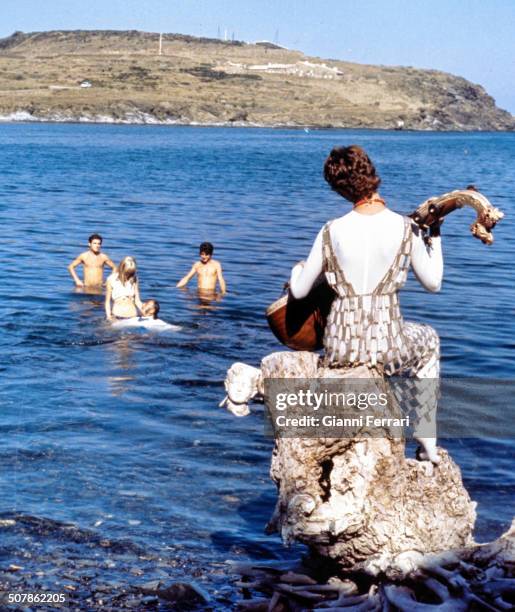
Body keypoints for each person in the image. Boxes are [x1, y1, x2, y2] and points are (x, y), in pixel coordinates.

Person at [289, 145, 443, 464]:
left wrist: (296, 270)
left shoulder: (331, 230)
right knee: (429, 341)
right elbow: (433, 283)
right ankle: (426, 434)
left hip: (341, 350)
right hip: (386, 348)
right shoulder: (406, 227)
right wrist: (435, 236)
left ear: (340, 188)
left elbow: (301, 291)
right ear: (372, 174)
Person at [105, 256, 143, 320]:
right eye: (128, 272)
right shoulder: (111, 279)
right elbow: (107, 302)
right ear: (122, 268)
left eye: (131, 273)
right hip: (117, 315)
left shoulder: (134, 279)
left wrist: (145, 312)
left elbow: (137, 300)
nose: (129, 275)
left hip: (133, 316)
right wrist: (108, 316)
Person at [111, 299, 181, 331]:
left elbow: (176, 328)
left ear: (152, 310)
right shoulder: (135, 319)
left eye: (147, 304)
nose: (143, 304)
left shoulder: (158, 323)